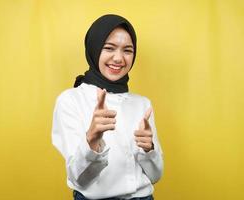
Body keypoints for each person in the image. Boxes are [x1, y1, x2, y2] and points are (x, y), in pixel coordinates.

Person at [52, 14, 163, 200]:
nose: (119, 58)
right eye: (109, 48)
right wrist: (92, 139)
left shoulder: (142, 104)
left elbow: (155, 176)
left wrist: (148, 149)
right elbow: (79, 180)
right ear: (94, 49)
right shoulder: (70, 100)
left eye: (127, 50)